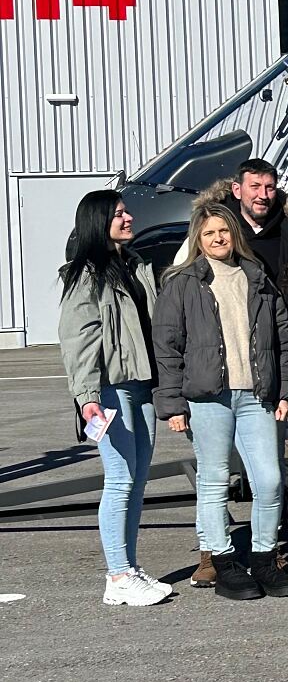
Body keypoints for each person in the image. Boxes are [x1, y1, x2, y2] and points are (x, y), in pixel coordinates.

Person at [153, 203, 288, 600]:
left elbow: (283, 340)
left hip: (256, 396)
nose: (218, 239)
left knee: (268, 481)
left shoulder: (257, 278)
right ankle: (223, 562)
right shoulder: (181, 283)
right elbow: (167, 348)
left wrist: (286, 389)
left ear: (234, 233)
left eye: (224, 231)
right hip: (208, 398)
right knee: (215, 480)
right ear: (197, 240)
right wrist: (172, 406)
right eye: (209, 234)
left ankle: (266, 558)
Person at [58, 192, 172, 608]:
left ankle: (130, 566)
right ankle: (118, 574)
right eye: (119, 213)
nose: (128, 218)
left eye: (126, 212)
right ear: (98, 220)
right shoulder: (84, 275)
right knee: (120, 480)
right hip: (110, 388)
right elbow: (78, 340)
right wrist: (86, 397)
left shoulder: (137, 265)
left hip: (142, 385)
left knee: (138, 481)